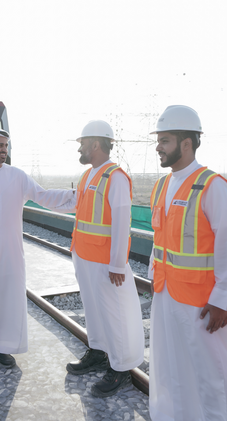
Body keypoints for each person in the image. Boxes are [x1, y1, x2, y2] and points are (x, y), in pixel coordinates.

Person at [147, 105, 227, 420]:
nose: (158, 147)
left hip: (201, 302)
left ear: (186, 143)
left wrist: (221, 301)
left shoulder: (212, 185)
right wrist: (153, 273)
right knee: (171, 365)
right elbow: (159, 236)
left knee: (213, 373)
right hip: (165, 292)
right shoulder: (163, 185)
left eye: (164, 140)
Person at [0, 129, 76, 368]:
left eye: (6, 146)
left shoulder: (17, 176)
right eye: (0, 145)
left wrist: (79, 196)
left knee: (5, 299)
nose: (4, 150)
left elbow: (44, 196)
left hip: (10, 253)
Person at [63, 120, 145, 397]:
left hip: (106, 262)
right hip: (86, 257)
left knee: (116, 314)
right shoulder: (88, 175)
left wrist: (118, 263)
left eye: (82, 143)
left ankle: (121, 368)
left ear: (96, 144)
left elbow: (123, 223)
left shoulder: (116, 177)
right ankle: (98, 352)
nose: (80, 148)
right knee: (94, 310)